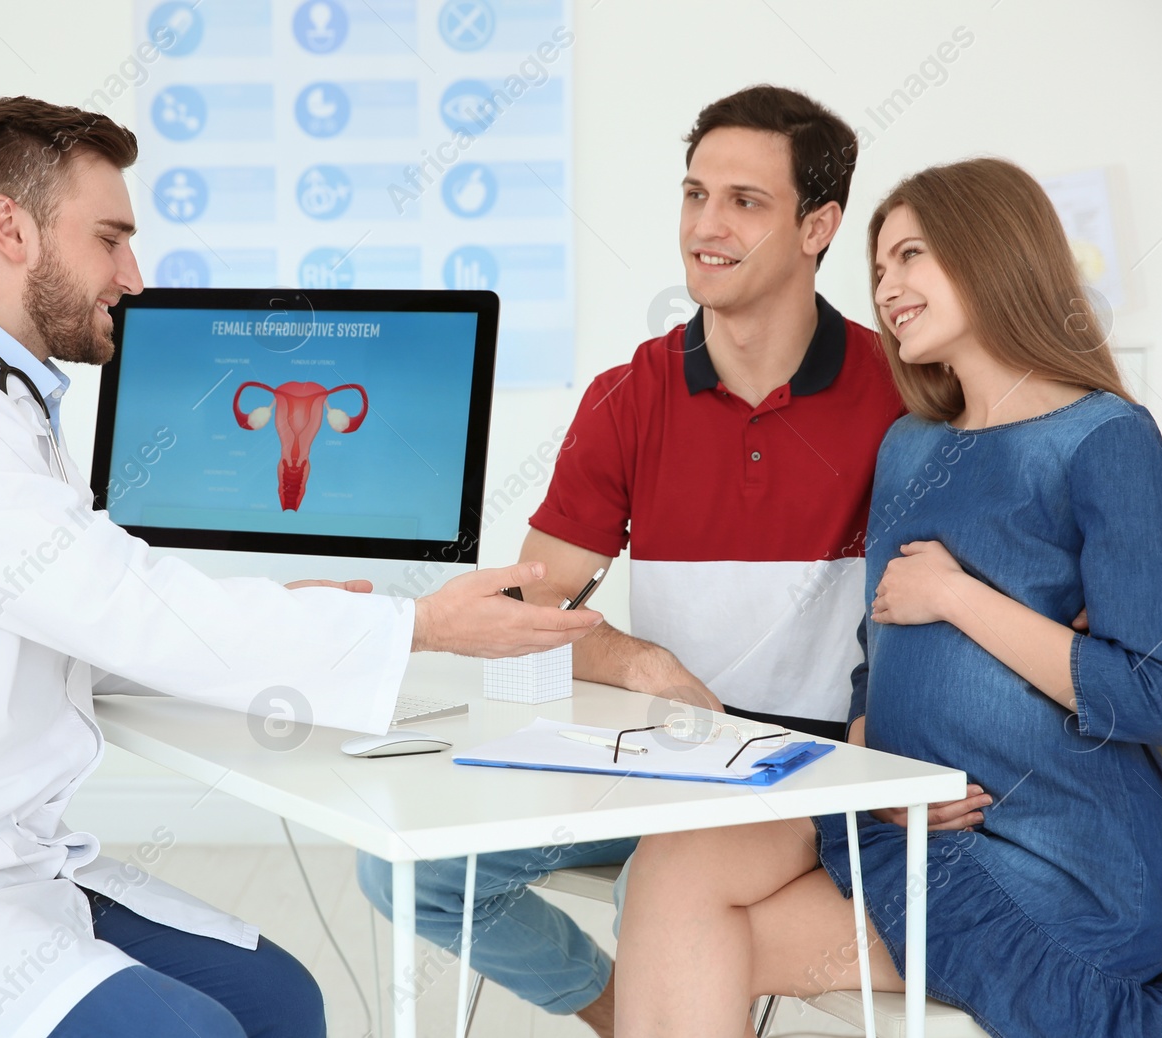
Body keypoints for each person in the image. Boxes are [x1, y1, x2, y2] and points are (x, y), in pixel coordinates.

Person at [0, 96, 602, 1038]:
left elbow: (73, 608)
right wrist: (422, 626)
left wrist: (293, 615)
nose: (135, 276)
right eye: (111, 240)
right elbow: (124, 605)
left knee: (283, 1001)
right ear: (11, 227)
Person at [358, 84, 920, 1036]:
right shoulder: (632, 395)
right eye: (696, 195)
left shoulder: (895, 397)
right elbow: (521, 613)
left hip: (815, 769)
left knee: (657, 900)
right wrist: (636, 662)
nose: (706, 225)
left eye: (746, 202)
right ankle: (627, 1013)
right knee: (408, 867)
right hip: (658, 755)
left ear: (819, 225)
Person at [614, 157, 1162, 1038]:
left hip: (1064, 864)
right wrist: (874, 765)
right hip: (909, 820)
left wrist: (960, 597)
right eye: (880, 267)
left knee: (708, 930)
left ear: (993, 254)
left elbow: (1155, 695)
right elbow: (879, 651)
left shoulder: (1104, 439)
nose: (887, 288)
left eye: (911, 257)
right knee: (677, 868)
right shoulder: (909, 445)